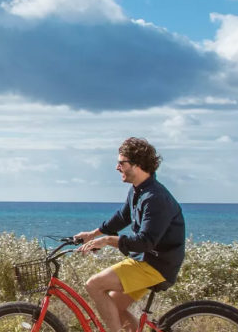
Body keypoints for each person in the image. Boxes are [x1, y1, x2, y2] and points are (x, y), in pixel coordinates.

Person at [73, 137, 186, 332]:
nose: (117, 167)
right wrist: (93, 234)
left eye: (121, 162)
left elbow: (145, 242)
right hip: (146, 262)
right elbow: (123, 216)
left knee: (94, 285)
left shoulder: (155, 198)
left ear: (138, 165)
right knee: (115, 308)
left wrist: (107, 240)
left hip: (154, 265)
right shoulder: (138, 191)